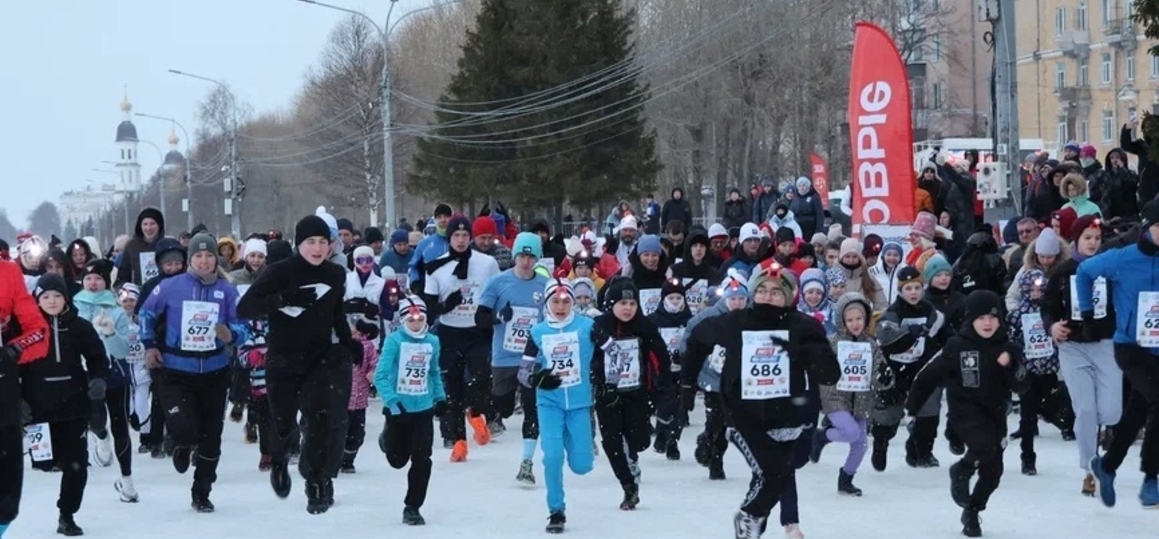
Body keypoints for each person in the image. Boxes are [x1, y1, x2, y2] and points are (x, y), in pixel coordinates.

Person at [682, 259, 839, 539]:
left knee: (776, 476)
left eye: (776, 291)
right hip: (743, 414)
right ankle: (749, 517)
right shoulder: (735, 322)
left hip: (788, 415)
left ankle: (754, 519)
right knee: (773, 474)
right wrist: (686, 382)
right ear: (753, 293)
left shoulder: (803, 327)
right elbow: (696, 340)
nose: (768, 296)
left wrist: (807, 354)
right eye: (762, 290)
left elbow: (829, 373)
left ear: (789, 297)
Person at [236, 215, 362, 514]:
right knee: (282, 423)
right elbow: (244, 308)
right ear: (299, 244)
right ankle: (279, 460)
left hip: (318, 359)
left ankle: (315, 483)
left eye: (323, 242)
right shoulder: (280, 271)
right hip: (282, 359)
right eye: (310, 242)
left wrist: (347, 342)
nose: (318, 248)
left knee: (320, 422)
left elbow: (335, 313)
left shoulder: (334, 274)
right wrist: (282, 299)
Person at [906, 290, 1030, 537]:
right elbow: (927, 377)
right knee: (983, 446)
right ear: (970, 319)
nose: (987, 323)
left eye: (993, 318)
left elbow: (1023, 385)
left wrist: (1011, 365)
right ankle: (962, 469)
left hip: (995, 413)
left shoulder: (1008, 346)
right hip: (964, 412)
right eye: (981, 317)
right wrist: (912, 408)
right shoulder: (957, 345)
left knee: (993, 472)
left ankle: (972, 511)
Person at [139, 233, 247, 513]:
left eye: (209, 256)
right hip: (176, 370)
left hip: (215, 371)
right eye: (198, 256)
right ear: (190, 259)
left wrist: (230, 334)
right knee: (186, 429)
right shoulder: (171, 286)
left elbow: (244, 328)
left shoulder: (227, 290)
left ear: (216, 259)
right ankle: (182, 444)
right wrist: (150, 346)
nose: (204, 261)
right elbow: (146, 314)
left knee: (212, 437)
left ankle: (202, 492)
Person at [1079, 200, 1159, 508]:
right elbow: (1085, 272)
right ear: (1146, 226)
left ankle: (1107, 466)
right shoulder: (1122, 258)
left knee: (1139, 409)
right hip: (1130, 346)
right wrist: (1088, 315)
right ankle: (1151, 477)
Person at [23, 274, 111, 536]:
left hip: (74, 402)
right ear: (37, 299)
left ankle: (67, 514)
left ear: (66, 299)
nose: (52, 301)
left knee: (76, 463)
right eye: (46, 296)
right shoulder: (25, 329)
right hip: (37, 406)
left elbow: (98, 357)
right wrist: (15, 399)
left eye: (57, 296)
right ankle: (50, 457)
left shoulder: (79, 327)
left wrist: (97, 379)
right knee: (45, 462)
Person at [1042, 215, 1122, 496]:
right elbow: (1048, 306)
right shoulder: (1064, 271)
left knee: (1111, 411)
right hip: (1073, 347)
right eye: (1087, 238)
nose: (1093, 243)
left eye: (1097, 239)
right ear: (1076, 240)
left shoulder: (1110, 268)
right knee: (1085, 409)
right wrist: (1052, 326)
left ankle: (1098, 432)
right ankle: (1090, 467)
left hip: (1105, 344)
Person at [519, 278, 597, 533]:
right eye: (555, 301)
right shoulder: (538, 332)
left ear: (573, 302)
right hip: (549, 402)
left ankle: (568, 437)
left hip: (579, 402)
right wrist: (537, 378)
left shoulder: (587, 326)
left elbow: (610, 354)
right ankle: (556, 510)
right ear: (547, 302)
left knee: (582, 466)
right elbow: (524, 372)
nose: (561, 306)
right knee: (552, 457)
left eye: (566, 301)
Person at [374, 296, 446, 525]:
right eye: (412, 319)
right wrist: (393, 402)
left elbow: (433, 372)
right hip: (398, 410)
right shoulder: (395, 341)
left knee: (422, 458)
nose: (416, 323)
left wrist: (440, 397)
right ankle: (386, 440)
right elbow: (381, 375)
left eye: (421, 318)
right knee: (397, 460)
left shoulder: (433, 341)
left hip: (423, 408)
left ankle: (412, 506)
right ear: (404, 319)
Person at [72, 259, 138, 502]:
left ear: (106, 282)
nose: (93, 283)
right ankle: (100, 437)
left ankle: (128, 480)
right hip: (86, 375)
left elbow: (123, 351)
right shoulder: (73, 308)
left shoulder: (117, 311)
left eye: (98, 278)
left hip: (115, 376)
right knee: (96, 420)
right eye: (88, 278)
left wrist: (110, 333)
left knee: (121, 426)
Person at [0, 258, 50, 539]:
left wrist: (12, 351)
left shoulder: (7, 272)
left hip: (2, 386)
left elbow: (38, 330)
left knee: (7, 499)